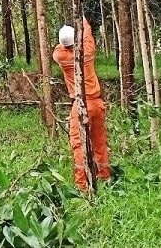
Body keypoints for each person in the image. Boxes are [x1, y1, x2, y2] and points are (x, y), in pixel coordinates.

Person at [53, 20, 110, 192]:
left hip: (79, 105)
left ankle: (82, 184)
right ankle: (104, 176)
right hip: (96, 103)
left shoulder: (60, 56)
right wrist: (82, 20)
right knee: (99, 141)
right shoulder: (88, 50)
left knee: (78, 144)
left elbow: (60, 46)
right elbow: (87, 33)